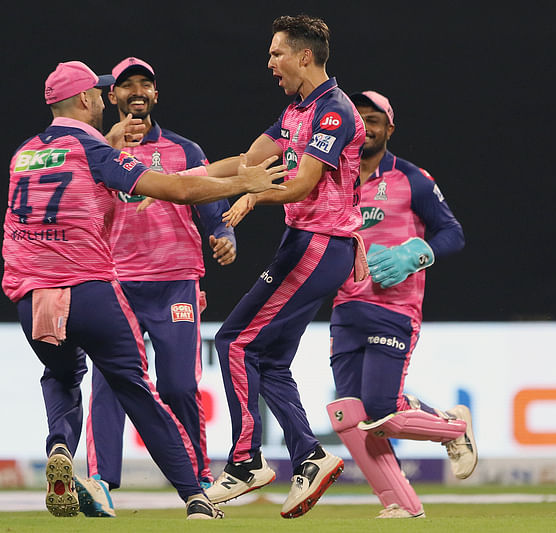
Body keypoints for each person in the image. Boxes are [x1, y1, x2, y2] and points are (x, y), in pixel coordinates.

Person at [1, 60, 286, 520]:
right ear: (86, 101)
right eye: (99, 91)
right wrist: (245, 182)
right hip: (94, 288)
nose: (104, 96)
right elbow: (177, 187)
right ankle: (194, 494)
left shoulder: (23, 153)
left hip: (33, 295)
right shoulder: (96, 150)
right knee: (136, 388)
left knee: (63, 376)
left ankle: (59, 446)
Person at [202, 15, 366, 519]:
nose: (270, 63)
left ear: (304, 56)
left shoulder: (334, 111)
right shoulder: (297, 111)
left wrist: (252, 193)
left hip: (320, 242)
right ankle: (310, 457)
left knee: (234, 341)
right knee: (269, 361)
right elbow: (249, 161)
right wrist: (174, 180)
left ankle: (246, 462)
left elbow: (300, 185)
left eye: (277, 54)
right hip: (306, 243)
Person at [81, 56, 234, 508]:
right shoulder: (96, 152)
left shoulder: (185, 151)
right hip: (115, 284)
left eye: (145, 84)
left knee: (180, 387)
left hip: (175, 283)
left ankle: (197, 479)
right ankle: (100, 483)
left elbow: (211, 204)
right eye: (127, 85)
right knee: (109, 383)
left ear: (156, 94)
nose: (136, 91)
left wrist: (223, 234)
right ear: (112, 97)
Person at [325, 90, 476, 519]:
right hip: (345, 309)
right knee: (348, 415)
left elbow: (452, 233)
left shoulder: (413, 179)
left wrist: (415, 253)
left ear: (389, 128)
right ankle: (400, 504)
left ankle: (454, 428)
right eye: (359, 119)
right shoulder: (333, 179)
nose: (366, 127)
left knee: (380, 410)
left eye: (374, 120)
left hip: (394, 306)